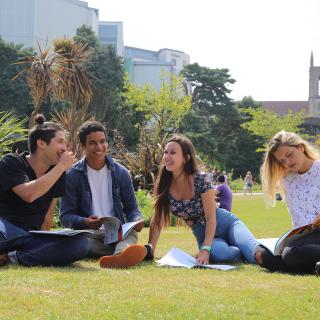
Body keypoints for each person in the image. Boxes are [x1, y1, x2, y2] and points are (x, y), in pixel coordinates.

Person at [146, 134, 258, 264]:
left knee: (256, 255)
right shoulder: (163, 184)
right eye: (165, 152)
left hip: (225, 223)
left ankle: (247, 245)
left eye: (173, 152)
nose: (167, 156)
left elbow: (211, 218)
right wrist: (150, 250)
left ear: (186, 158)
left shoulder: (201, 179)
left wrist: (205, 249)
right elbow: (157, 220)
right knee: (219, 254)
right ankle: (240, 250)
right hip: (202, 233)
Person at [0, 114, 88, 267]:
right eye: (60, 142)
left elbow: (48, 216)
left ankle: (12, 259)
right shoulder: (12, 162)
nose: (64, 148)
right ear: (41, 143)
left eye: (65, 143)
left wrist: (46, 243)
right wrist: (61, 167)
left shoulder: (59, 173)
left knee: (80, 244)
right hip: (6, 230)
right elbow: (29, 194)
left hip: (30, 237)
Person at [60, 121, 148, 268]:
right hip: (88, 233)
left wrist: (136, 219)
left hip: (115, 233)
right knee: (75, 241)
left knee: (131, 234)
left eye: (102, 142)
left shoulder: (121, 173)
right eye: (93, 143)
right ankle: (122, 252)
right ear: (83, 146)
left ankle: (119, 256)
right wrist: (85, 221)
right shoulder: (72, 175)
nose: (99, 147)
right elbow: (65, 216)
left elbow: (132, 208)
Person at [254, 130, 320, 274]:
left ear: (300, 147)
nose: (287, 162)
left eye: (289, 155)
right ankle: (315, 265)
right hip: (302, 236)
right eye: (281, 161)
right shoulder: (286, 180)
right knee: (261, 254)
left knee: (292, 254)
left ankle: (304, 261)